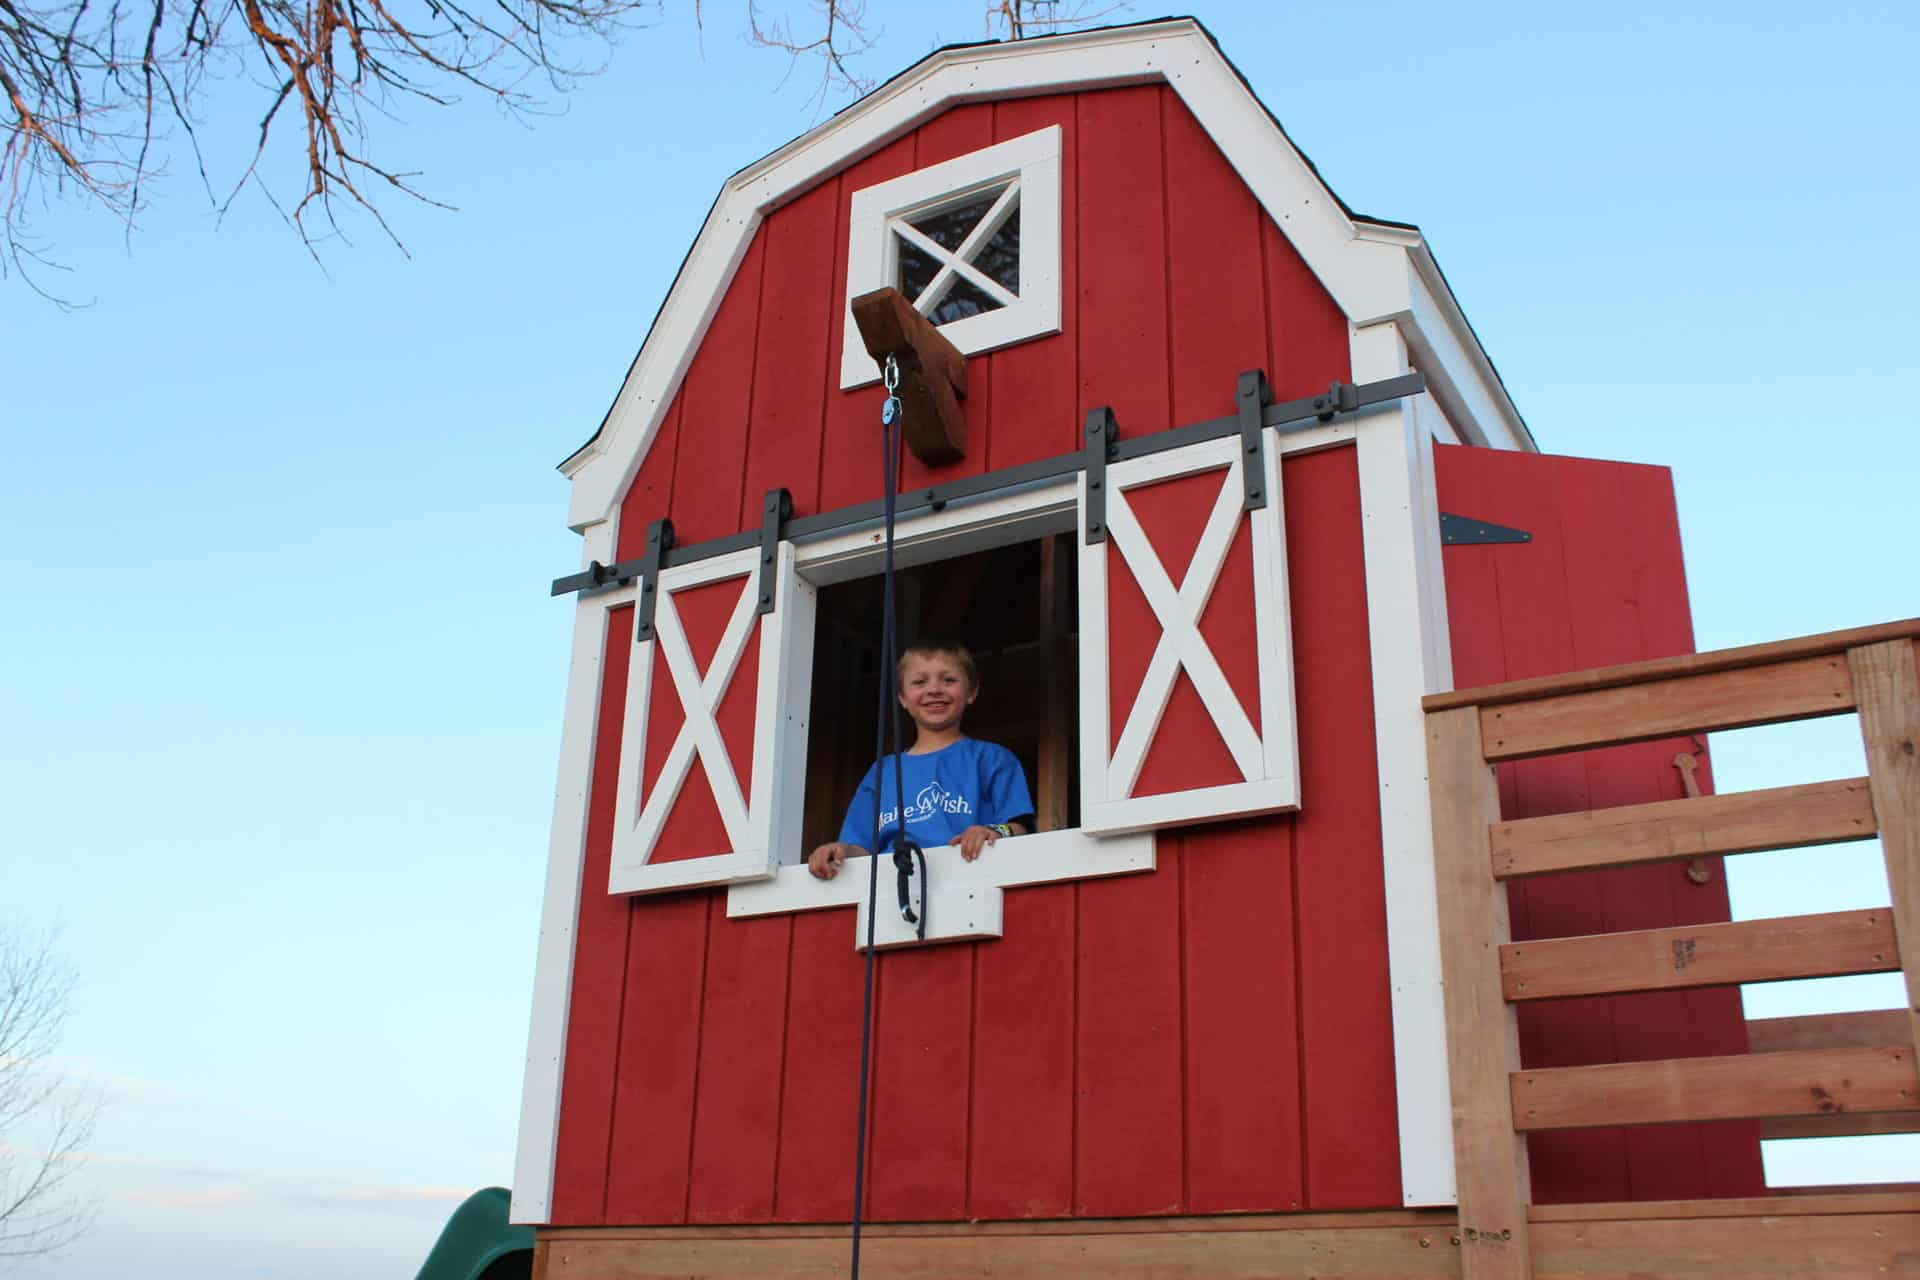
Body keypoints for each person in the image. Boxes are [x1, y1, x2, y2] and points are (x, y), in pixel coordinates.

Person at [807, 640, 1034, 880]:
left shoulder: (993, 759)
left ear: (972, 692)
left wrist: (991, 831)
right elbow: (861, 847)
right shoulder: (883, 772)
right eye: (919, 682)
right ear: (903, 698)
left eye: (948, 680)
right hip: (892, 888)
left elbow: (1021, 828)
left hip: (971, 880)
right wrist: (839, 850)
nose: (934, 689)